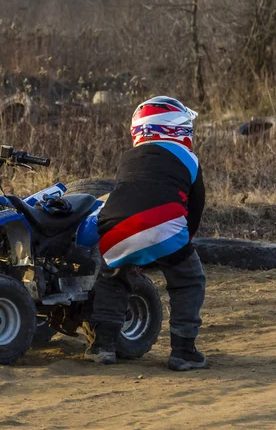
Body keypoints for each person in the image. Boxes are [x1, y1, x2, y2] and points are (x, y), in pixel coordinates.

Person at [85, 96, 207, 371]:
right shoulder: (188, 158)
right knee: (189, 279)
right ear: (177, 128)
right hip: (163, 225)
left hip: (114, 228)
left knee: (112, 279)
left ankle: (102, 346)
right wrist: (184, 244)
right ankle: (183, 351)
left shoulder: (127, 158)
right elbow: (196, 206)